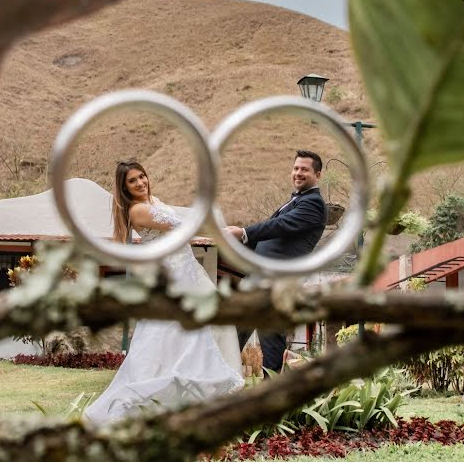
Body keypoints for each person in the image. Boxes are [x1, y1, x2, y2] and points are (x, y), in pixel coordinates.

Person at [83, 160, 244, 427]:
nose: (140, 183)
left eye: (142, 176)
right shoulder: (138, 211)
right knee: (174, 336)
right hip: (173, 278)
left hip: (187, 271)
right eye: (132, 181)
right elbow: (181, 226)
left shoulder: (154, 200)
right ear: (124, 188)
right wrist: (222, 232)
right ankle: (165, 394)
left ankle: (198, 397)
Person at [226, 150, 327, 373]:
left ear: (317, 175)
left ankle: (271, 391)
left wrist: (244, 232)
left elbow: (278, 226)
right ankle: (224, 382)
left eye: (305, 169)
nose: (298, 173)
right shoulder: (296, 200)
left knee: (270, 334)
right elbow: (271, 236)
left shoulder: (314, 204)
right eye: (296, 168)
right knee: (235, 332)